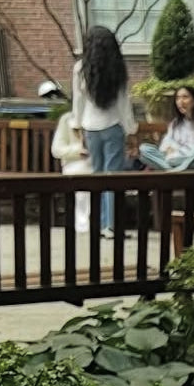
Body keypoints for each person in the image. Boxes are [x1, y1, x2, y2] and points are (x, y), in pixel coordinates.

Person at [70, 26, 137, 238]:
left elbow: (78, 101)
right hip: (113, 126)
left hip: (90, 128)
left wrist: (77, 125)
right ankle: (111, 226)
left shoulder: (80, 68)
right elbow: (124, 103)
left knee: (96, 177)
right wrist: (132, 130)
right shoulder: (118, 67)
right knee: (113, 178)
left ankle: (96, 224)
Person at [137, 85, 194, 170]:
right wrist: (169, 149)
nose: (180, 101)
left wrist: (176, 151)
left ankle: (172, 168)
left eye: (185, 97)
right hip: (173, 158)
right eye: (178, 98)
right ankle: (175, 169)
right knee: (144, 149)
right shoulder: (175, 123)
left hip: (193, 159)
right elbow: (166, 144)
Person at [50, 110, 93, 234]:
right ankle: (83, 224)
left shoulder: (103, 118)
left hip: (98, 163)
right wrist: (77, 151)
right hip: (75, 163)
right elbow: (56, 149)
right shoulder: (67, 119)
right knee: (82, 176)